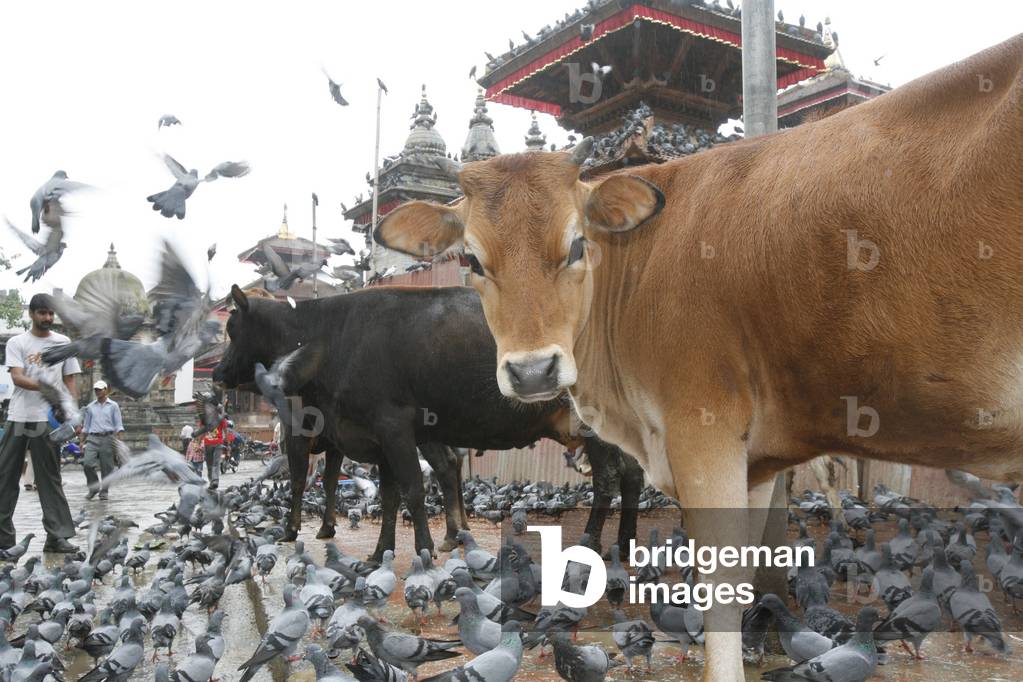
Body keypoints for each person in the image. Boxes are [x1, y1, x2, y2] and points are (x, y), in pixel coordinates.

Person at [0, 293, 80, 553]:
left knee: (50, 479)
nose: (47, 318)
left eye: (50, 313)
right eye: (42, 313)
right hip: (20, 416)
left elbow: (70, 379)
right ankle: (3, 539)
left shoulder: (63, 342)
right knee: (5, 476)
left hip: (48, 421)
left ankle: (57, 536)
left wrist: (71, 409)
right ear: (32, 314)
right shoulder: (18, 342)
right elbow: (17, 377)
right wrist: (48, 388)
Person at [79, 380, 124, 500]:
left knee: (107, 466)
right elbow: (86, 426)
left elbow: (118, 425)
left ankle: (104, 491)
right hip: (93, 438)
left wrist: (119, 443)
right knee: (87, 464)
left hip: (108, 438)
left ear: (106, 390)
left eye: (100, 389)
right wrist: (82, 441)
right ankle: (93, 488)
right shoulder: (90, 407)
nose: (97, 392)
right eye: (96, 390)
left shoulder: (113, 406)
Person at [202, 412, 228, 490]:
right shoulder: (220, 418)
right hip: (216, 443)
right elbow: (225, 430)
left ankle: (213, 481)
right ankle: (213, 481)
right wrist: (227, 441)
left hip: (209, 443)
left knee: (211, 464)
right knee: (214, 463)